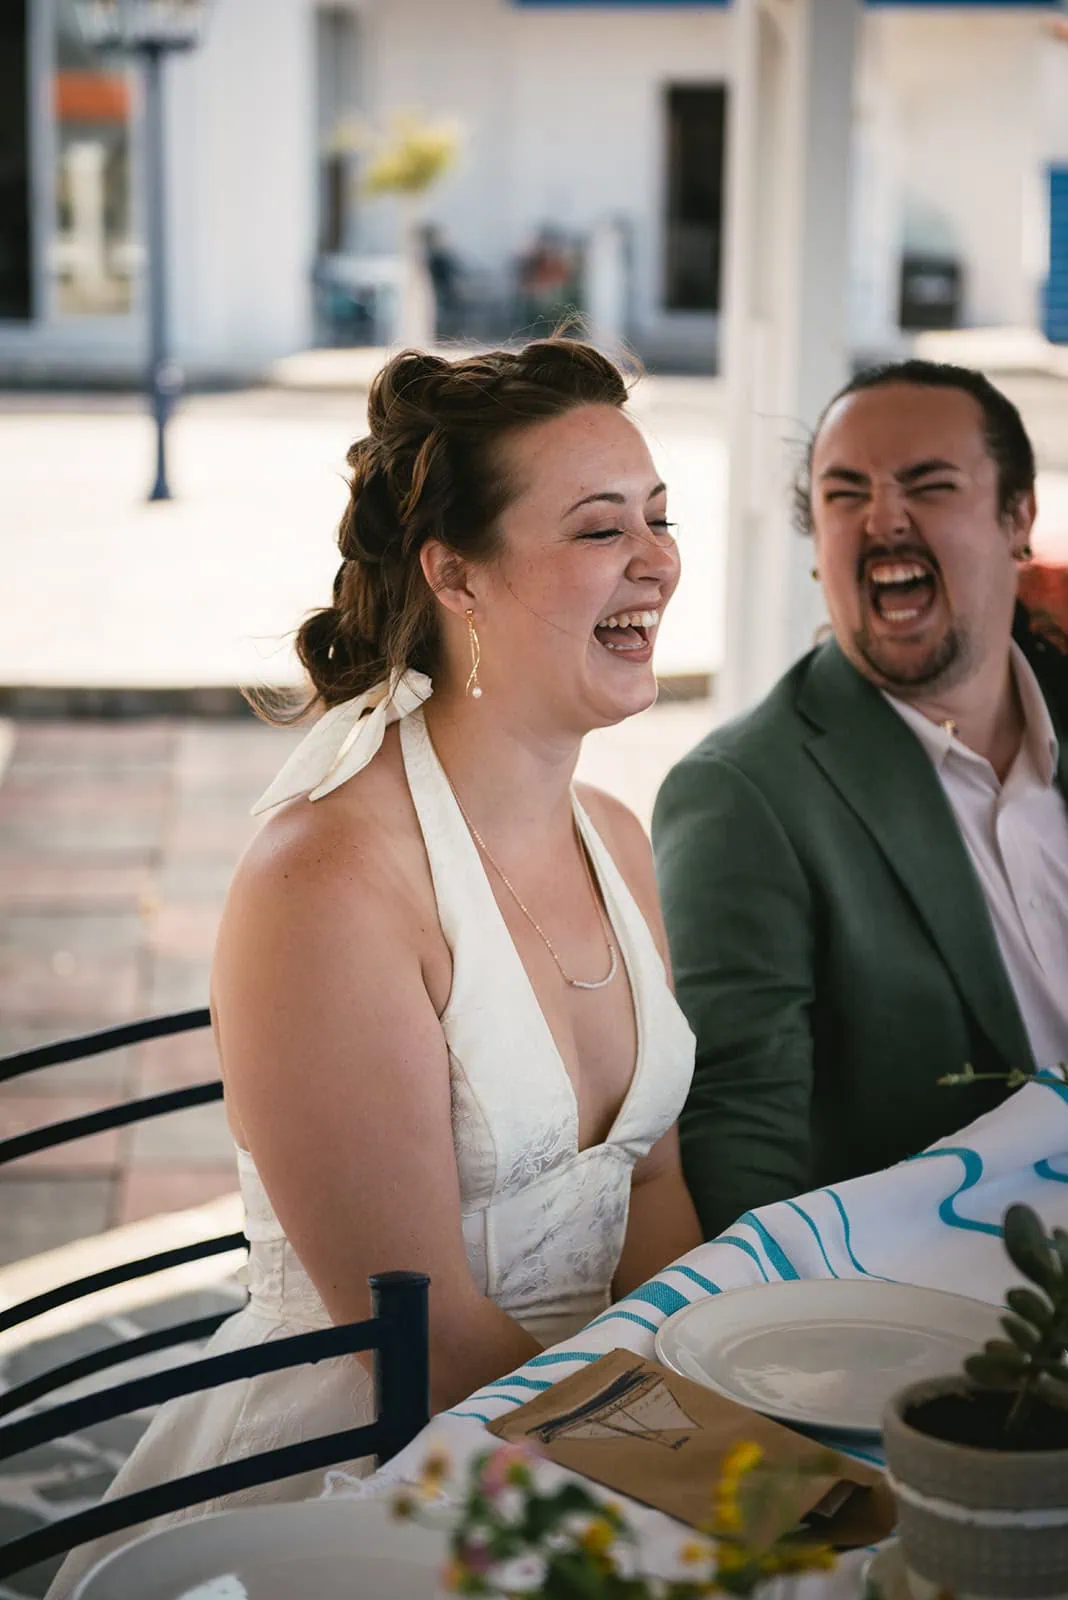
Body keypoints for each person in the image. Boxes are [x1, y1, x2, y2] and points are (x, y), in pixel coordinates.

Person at [50, 340, 700, 1596]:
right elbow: (432, 1337)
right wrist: (688, 1472)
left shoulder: (618, 838)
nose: (658, 559)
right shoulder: (329, 885)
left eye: (661, 518)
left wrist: (715, 1403)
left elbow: (655, 1177)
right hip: (355, 1477)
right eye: (599, 526)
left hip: (596, 1429)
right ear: (455, 571)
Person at [653, 360, 1068, 1242]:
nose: (883, 519)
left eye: (929, 485)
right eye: (845, 495)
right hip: (961, 1313)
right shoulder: (744, 797)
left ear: (1018, 517)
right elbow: (741, 1153)